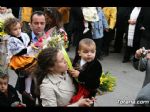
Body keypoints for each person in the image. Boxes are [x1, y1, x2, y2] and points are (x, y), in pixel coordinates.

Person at [4, 18, 37, 105]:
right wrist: (30, 48)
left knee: (31, 72)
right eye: (15, 29)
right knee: (28, 72)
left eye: (19, 28)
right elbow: (19, 52)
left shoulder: (24, 35)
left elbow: (29, 42)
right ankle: (27, 90)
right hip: (19, 59)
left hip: (27, 56)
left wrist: (31, 45)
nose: (18, 31)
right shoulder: (11, 40)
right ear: (9, 31)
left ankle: (27, 90)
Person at [68, 38, 102, 104]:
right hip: (76, 87)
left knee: (86, 103)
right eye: (86, 52)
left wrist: (80, 75)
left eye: (92, 52)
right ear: (79, 53)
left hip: (89, 90)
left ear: (95, 51)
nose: (89, 54)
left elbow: (94, 79)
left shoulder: (96, 65)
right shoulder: (77, 59)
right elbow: (74, 67)